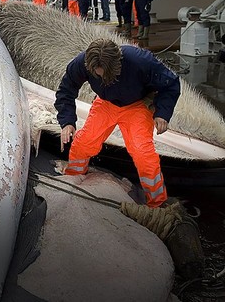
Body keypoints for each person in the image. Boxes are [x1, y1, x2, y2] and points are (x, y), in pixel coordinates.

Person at [55, 38, 180, 208]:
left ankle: (157, 202)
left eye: (107, 75)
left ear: (118, 63)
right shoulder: (81, 62)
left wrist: (162, 113)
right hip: (106, 104)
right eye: (98, 75)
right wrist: (67, 121)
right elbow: (66, 89)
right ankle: (74, 176)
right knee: (84, 141)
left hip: (137, 105)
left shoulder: (140, 61)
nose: (103, 78)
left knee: (142, 152)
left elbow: (170, 83)